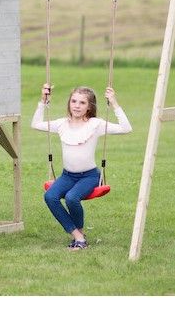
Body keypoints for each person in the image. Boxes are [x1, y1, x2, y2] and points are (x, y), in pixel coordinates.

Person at [31, 84, 132, 251]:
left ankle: (80, 237)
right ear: (69, 103)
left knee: (72, 198)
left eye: (82, 103)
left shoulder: (95, 124)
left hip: (89, 176)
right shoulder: (61, 124)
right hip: (67, 176)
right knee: (50, 197)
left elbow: (126, 128)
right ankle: (78, 235)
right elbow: (35, 124)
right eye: (74, 101)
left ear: (89, 107)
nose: (77, 106)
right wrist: (43, 101)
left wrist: (114, 103)